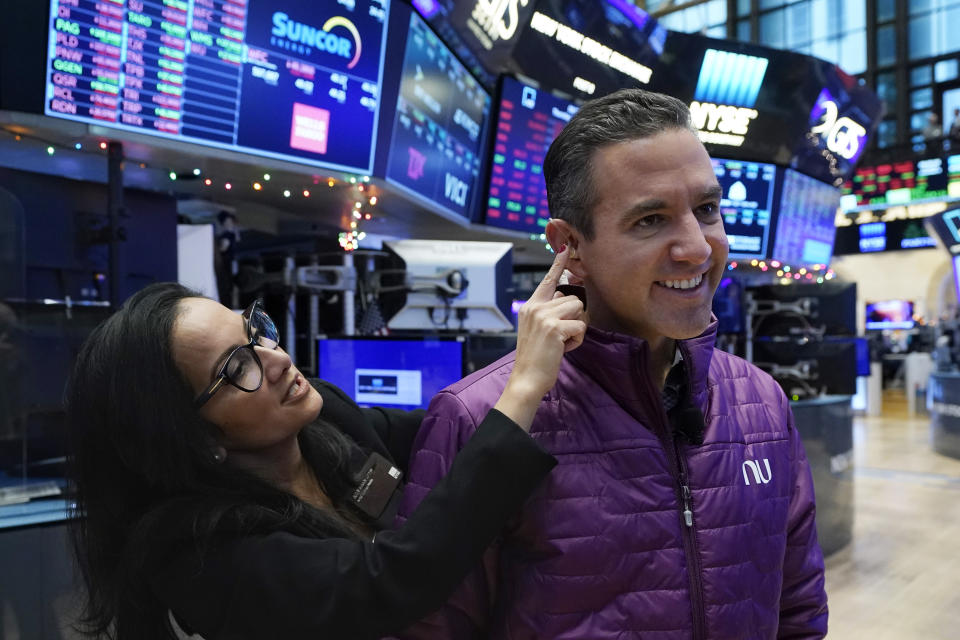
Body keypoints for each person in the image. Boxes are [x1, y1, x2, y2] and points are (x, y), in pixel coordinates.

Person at [398, 88, 828, 639]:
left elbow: (797, 610)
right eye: (650, 220)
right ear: (570, 247)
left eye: (706, 209)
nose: (697, 248)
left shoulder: (763, 402)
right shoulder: (479, 420)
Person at [65, 248, 586, 640]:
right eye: (237, 367)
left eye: (255, 330)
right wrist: (521, 385)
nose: (276, 357)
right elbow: (396, 581)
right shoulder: (204, 557)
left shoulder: (325, 418)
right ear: (193, 438)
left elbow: (445, 429)